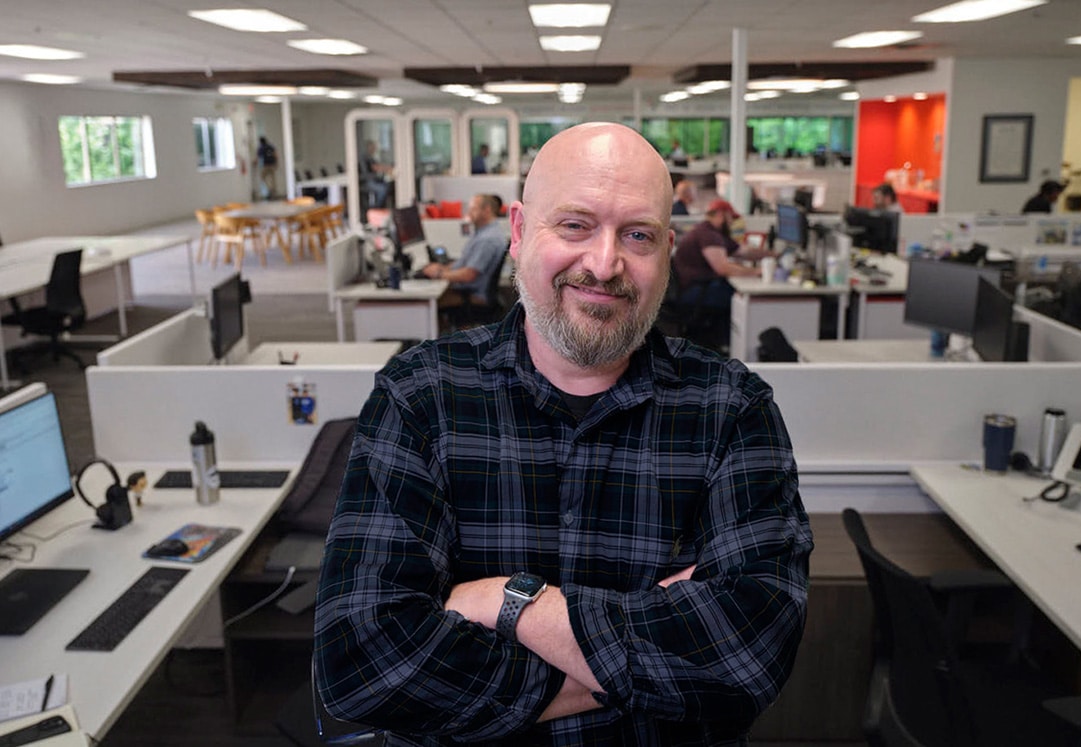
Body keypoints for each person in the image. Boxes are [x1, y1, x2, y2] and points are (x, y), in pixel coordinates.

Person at [314, 122, 812, 746]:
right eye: (575, 225)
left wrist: (508, 602)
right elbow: (360, 665)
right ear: (520, 233)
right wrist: (644, 654)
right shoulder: (422, 396)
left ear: (665, 250)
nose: (604, 265)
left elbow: (747, 661)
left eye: (638, 235)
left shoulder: (732, 410)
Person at [672, 198, 773, 310]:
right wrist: (756, 272)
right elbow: (723, 268)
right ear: (721, 214)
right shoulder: (708, 234)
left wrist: (773, 255)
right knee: (742, 300)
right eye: (731, 218)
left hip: (698, 287)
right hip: (696, 290)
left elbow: (744, 252)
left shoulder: (713, 232)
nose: (731, 223)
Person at [420, 193, 506, 307]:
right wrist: (443, 268)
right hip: (468, 290)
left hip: (474, 295)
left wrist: (438, 274)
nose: (469, 213)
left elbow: (468, 275)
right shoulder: (482, 233)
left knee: (428, 304)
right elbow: (466, 262)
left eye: (473, 209)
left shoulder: (488, 239)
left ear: (487, 210)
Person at [362, 140, 393, 209]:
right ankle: (376, 208)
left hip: (374, 179)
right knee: (383, 189)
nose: (374, 149)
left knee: (388, 184)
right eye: (373, 147)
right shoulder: (366, 158)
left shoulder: (371, 158)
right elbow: (376, 167)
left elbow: (378, 166)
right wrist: (388, 169)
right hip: (368, 181)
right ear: (369, 148)